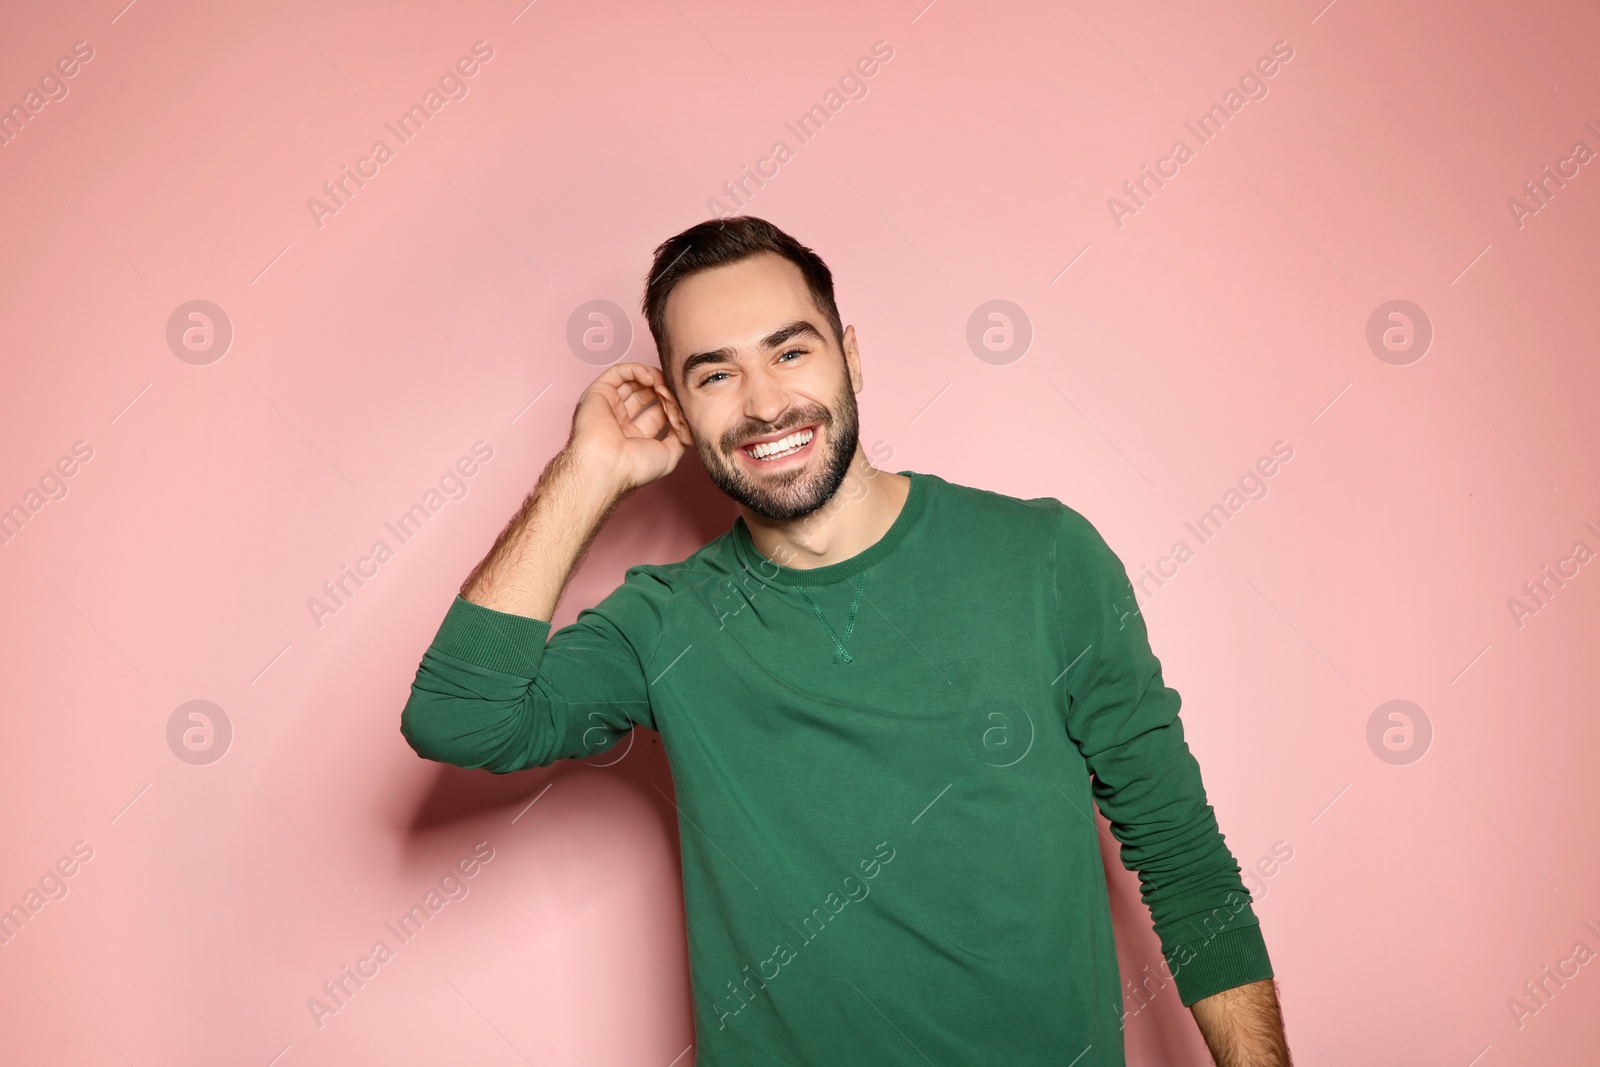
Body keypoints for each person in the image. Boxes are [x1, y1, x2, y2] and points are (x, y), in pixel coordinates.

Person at [399, 216, 1293, 1065]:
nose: (764, 402)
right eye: (714, 375)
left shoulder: (1044, 558)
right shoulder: (663, 622)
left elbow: (1184, 859)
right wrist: (587, 472)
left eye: (791, 351)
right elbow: (459, 717)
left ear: (850, 355)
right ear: (676, 408)